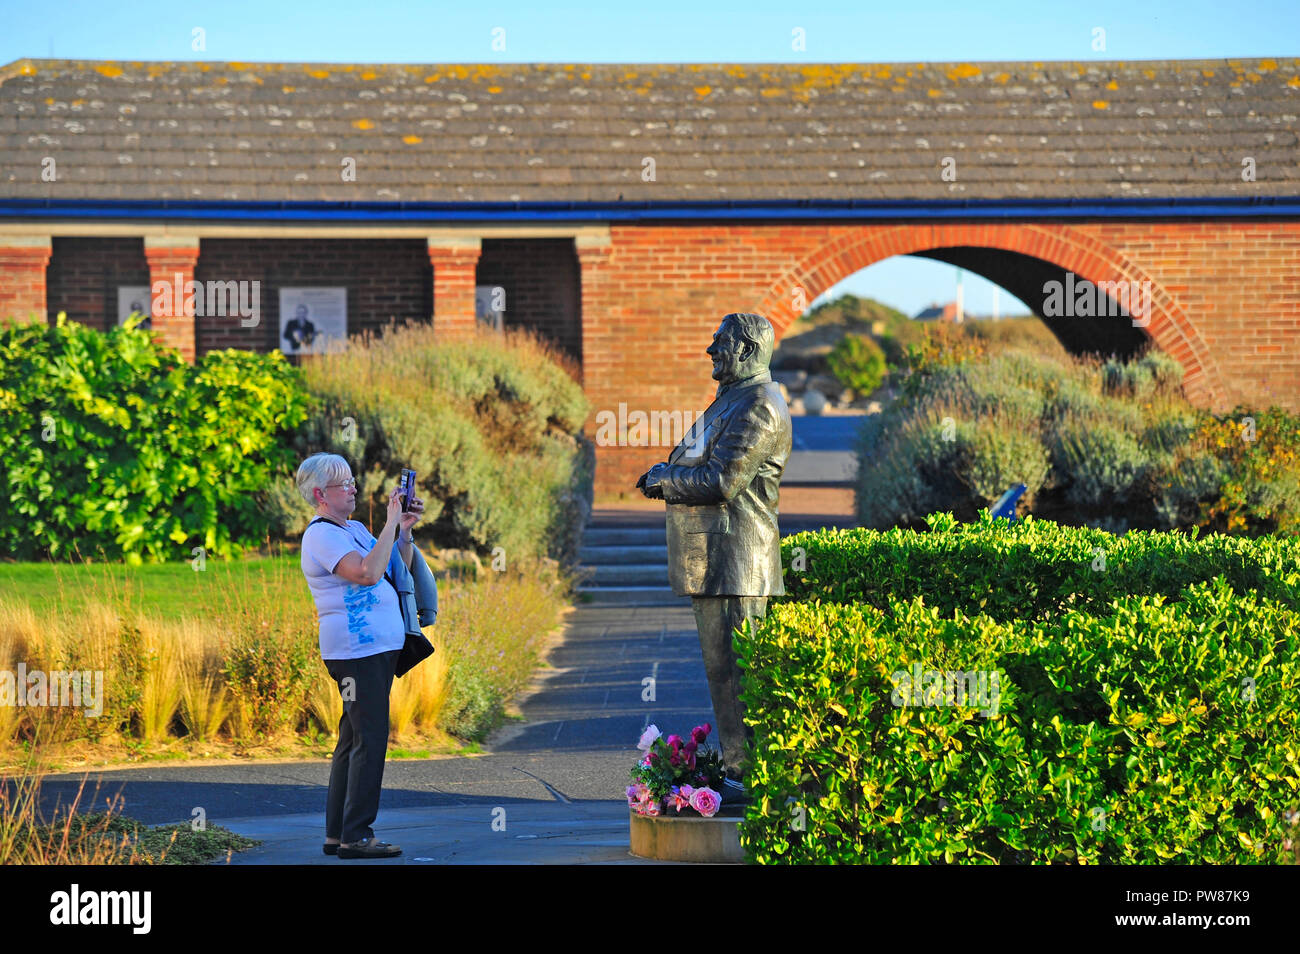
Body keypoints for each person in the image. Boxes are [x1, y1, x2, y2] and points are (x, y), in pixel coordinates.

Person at [636, 312, 792, 805]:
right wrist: (668, 469)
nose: (710, 349)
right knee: (722, 674)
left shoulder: (761, 405)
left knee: (739, 677)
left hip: (738, 562)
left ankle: (748, 781)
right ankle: (733, 770)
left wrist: (664, 480)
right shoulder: (733, 399)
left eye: (719, 341)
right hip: (716, 562)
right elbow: (697, 460)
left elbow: (722, 480)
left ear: (746, 350)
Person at [296, 452, 425, 859]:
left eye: (352, 480)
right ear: (320, 494)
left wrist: (402, 530)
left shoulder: (351, 528)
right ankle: (357, 835)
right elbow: (366, 574)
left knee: (353, 740)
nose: (353, 487)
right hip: (356, 653)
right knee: (369, 739)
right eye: (343, 484)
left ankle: (339, 835)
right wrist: (387, 522)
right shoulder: (321, 535)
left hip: (375, 649)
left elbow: (391, 568)